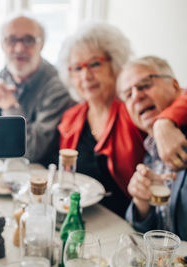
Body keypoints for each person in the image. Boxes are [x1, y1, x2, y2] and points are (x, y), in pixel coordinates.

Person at [48, 22, 187, 217]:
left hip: (128, 219)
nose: (86, 75)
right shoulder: (71, 117)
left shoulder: (134, 108)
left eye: (95, 64)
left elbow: (181, 94)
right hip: (80, 215)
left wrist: (165, 122)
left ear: (114, 65)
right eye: (77, 68)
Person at [0, 13, 75, 163]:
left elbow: (31, 151)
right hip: (3, 171)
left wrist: (11, 108)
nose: (19, 48)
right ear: (3, 45)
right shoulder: (6, 73)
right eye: (12, 40)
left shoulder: (57, 86)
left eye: (29, 40)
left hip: (39, 176)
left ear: (41, 45)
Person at [118, 56, 187, 240]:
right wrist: (142, 203)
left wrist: (164, 122)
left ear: (174, 85)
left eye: (144, 86)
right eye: (128, 95)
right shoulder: (150, 150)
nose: (137, 97)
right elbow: (152, 233)